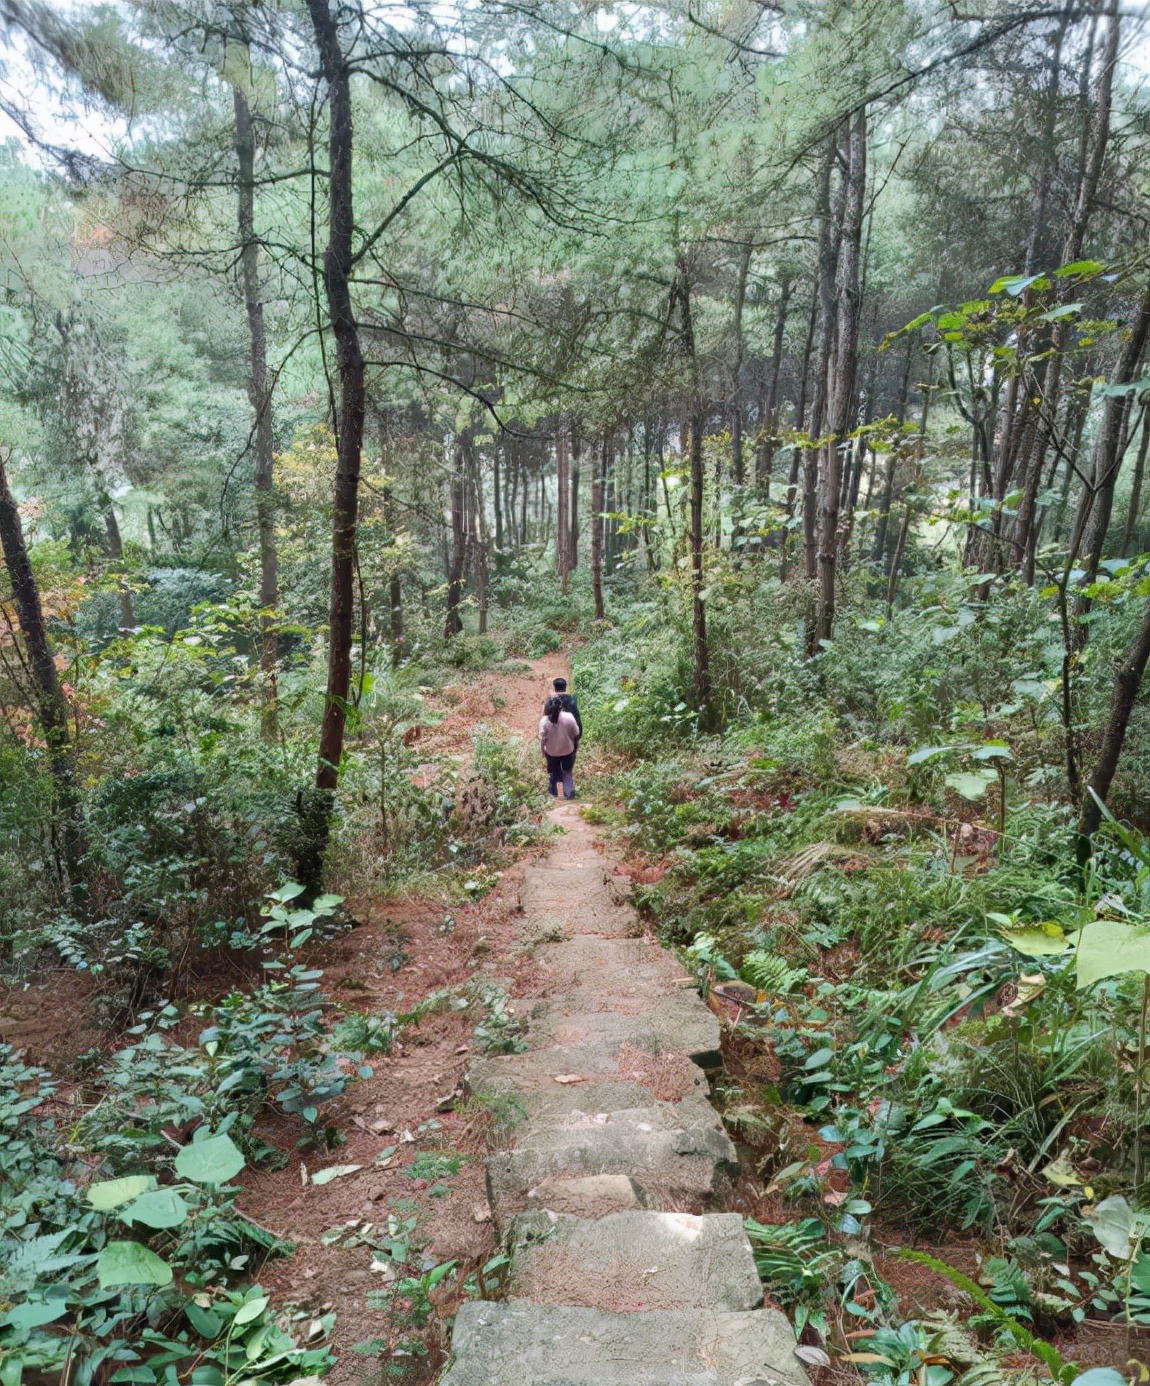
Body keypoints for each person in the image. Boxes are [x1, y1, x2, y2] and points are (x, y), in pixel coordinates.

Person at [540, 694, 580, 800]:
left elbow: (543, 739)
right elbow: (576, 733)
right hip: (568, 750)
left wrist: (543, 751)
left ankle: (554, 793)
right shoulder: (569, 717)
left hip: (552, 752)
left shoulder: (544, 721)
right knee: (567, 772)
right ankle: (569, 793)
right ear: (561, 706)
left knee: (555, 772)